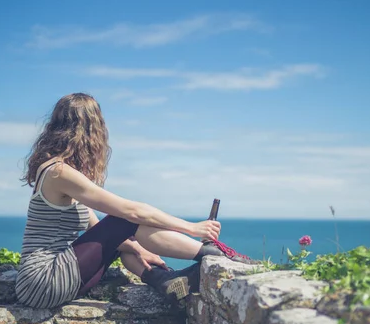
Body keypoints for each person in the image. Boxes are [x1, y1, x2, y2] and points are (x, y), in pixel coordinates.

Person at [16, 93, 254, 310]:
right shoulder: (58, 172)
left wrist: (140, 249)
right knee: (122, 221)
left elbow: (95, 229)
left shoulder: (65, 173)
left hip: (55, 280)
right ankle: (211, 253)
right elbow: (131, 212)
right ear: (91, 130)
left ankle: (162, 279)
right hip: (43, 280)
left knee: (125, 237)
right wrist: (191, 228)